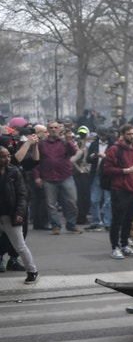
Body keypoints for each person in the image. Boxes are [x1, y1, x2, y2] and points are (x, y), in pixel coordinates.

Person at [104, 124, 133, 259]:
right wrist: (125, 171)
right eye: (129, 134)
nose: (132, 136)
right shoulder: (114, 149)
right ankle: (115, 247)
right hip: (119, 189)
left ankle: (124, 245)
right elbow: (107, 169)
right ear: (122, 135)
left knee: (129, 220)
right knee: (117, 219)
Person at [34, 121, 82, 234]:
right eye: (51, 128)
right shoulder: (41, 144)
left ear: (59, 129)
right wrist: (37, 176)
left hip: (65, 176)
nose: (53, 129)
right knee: (51, 204)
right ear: (48, 129)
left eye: (56, 127)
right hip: (48, 178)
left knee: (72, 202)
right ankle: (56, 226)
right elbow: (37, 162)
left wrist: (69, 140)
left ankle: (71, 224)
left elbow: (73, 152)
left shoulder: (65, 142)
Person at [0, 147, 38, 284]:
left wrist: (19, 214)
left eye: (8, 156)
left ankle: (32, 271)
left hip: (10, 216)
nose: (7, 159)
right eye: (3, 156)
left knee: (20, 246)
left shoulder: (13, 171)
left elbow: (22, 195)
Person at [86, 129, 114, 231]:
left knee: (108, 201)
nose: (103, 137)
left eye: (104, 135)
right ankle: (96, 221)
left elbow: (116, 159)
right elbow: (87, 160)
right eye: (101, 135)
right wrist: (92, 156)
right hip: (96, 174)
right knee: (94, 200)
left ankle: (108, 223)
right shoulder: (93, 144)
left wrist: (106, 157)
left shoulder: (113, 144)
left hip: (107, 175)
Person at [70, 126, 92, 225]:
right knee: (82, 197)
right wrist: (80, 170)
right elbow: (71, 160)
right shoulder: (82, 148)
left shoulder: (80, 143)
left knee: (84, 197)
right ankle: (81, 217)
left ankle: (82, 216)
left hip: (85, 174)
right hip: (82, 175)